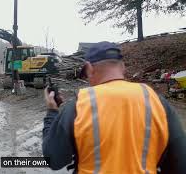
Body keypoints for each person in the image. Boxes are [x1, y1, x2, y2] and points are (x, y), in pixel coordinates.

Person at [42, 41, 186, 174]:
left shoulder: (79, 105)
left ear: (90, 68)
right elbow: (180, 164)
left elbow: (53, 159)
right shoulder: (156, 100)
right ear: (122, 67)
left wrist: (52, 112)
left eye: (86, 74)